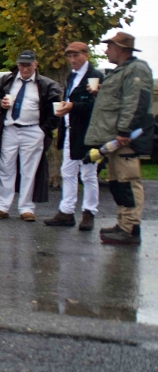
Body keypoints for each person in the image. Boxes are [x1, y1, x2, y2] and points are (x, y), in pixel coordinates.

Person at [84, 32, 154, 245]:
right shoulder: (121, 71)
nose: (106, 50)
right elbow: (120, 98)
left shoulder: (136, 69)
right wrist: (101, 93)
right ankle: (123, 224)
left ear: (121, 48)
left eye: (109, 46)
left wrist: (124, 131)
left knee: (128, 183)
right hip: (115, 139)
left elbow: (136, 101)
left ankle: (130, 228)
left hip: (126, 139)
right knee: (117, 183)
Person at [0, 50, 61, 221]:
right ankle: (2, 207)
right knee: (6, 167)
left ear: (35, 65)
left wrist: (43, 129)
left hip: (33, 129)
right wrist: (1, 103)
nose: (25, 68)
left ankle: (26, 208)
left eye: (28, 65)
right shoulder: (8, 80)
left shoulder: (47, 85)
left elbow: (56, 110)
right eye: (22, 64)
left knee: (29, 170)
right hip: (10, 128)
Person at [45, 42, 104, 230]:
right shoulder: (72, 76)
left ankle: (89, 212)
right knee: (67, 171)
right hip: (70, 129)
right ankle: (66, 211)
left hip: (87, 132)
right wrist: (65, 108)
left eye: (75, 56)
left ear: (86, 55)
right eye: (69, 56)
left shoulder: (95, 76)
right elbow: (71, 100)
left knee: (88, 173)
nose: (72, 60)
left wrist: (73, 106)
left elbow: (96, 106)